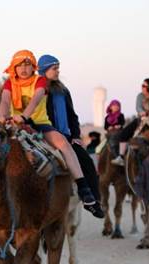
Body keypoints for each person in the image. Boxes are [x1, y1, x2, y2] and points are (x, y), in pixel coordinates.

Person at [0, 50, 104, 218]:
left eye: (27, 65)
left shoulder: (43, 83)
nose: (24, 69)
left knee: (67, 147)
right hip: (16, 126)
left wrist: (25, 117)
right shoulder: (10, 83)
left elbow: (37, 99)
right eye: (20, 66)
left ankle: (87, 193)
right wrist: (2, 117)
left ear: (34, 67)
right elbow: (4, 100)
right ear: (14, 68)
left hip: (40, 125)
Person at [37, 54, 102, 202]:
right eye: (54, 68)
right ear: (44, 71)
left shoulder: (63, 91)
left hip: (66, 138)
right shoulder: (38, 91)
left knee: (87, 162)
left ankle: (94, 199)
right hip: (44, 135)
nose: (58, 71)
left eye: (58, 68)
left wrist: (76, 136)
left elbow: (73, 116)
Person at [110, 78, 149, 166]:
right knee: (124, 133)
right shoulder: (140, 96)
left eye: (144, 86)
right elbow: (138, 107)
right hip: (142, 120)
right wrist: (142, 113)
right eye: (142, 85)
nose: (142, 87)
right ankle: (121, 157)